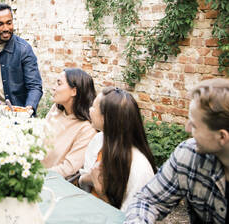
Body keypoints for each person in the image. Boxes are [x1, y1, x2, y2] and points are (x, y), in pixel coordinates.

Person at [124, 78, 229, 223]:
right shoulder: (189, 154)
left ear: (222, 136)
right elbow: (147, 200)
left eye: (194, 125)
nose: (187, 129)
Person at [79, 87, 156, 212]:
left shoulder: (139, 169)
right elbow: (83, 182)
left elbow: (129, 218)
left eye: (93, 107)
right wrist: (89, 178)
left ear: (105, 118)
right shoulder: (98, 140)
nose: (89, 109)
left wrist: (101, 192)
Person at [0, 3, 43, 113]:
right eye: (0, 24)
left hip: (17, 114)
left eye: (9, 23)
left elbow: (35, 86)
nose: (6, 28)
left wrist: (28, 109)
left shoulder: (23, 49)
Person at [41, 68, 98, 179]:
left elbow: (68, 168)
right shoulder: (56, 110)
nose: (54, 88)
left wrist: (37, 175)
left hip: (51, 182)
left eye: (59, 83)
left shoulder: (86, 129)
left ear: (74, 91)